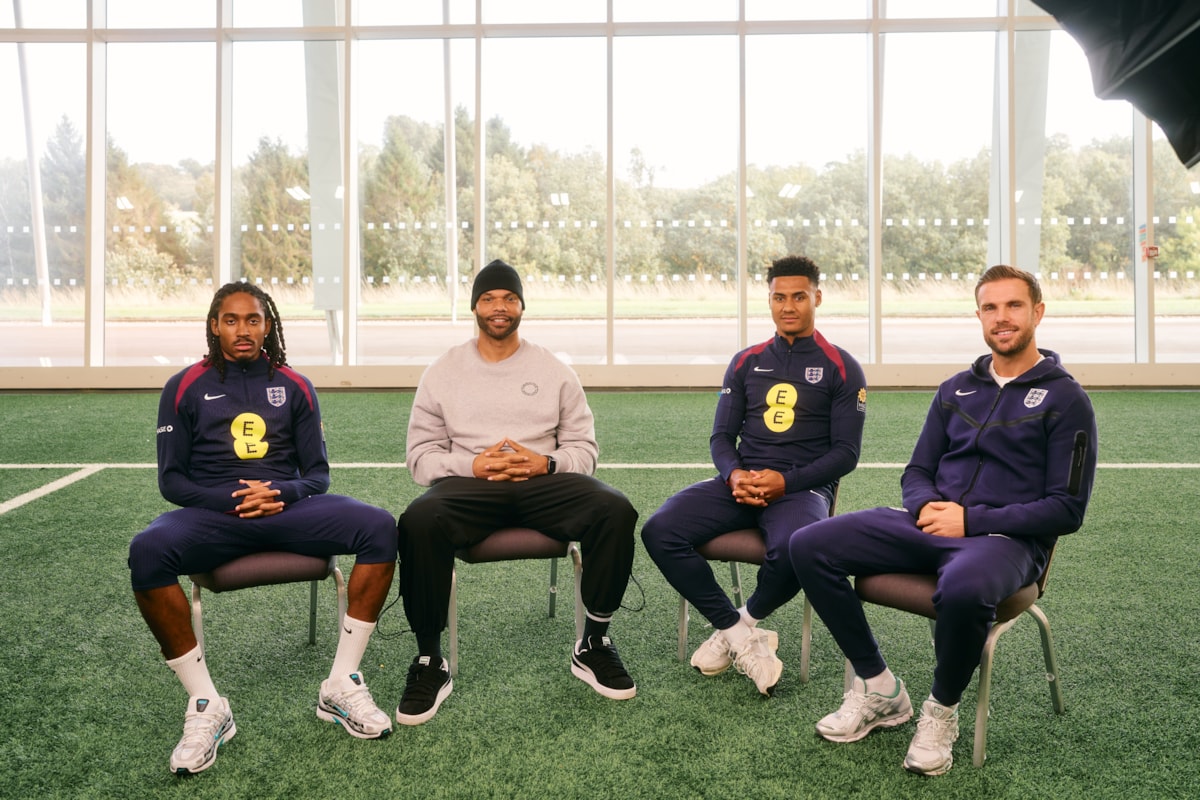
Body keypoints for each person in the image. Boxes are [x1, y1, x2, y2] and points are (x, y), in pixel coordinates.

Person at [789, 264, 1098, 776]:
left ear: (1037, 312)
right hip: (930, 524)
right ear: (979, 315)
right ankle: (878, 686)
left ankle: (940, 711)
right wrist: (924, 506)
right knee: (808, 544)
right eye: (990, 307)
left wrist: (970, 520)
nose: (1002, 318)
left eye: (1014, 306)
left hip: (1006, 540)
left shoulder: (1067, 400)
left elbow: (1067, 510)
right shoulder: (956, 389)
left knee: (962, 588)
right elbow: (917, 470)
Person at [128, 282, 399, 775]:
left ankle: (341, 683)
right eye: (230, 320)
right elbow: (172, 481)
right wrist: (232, 498)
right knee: (147, 551)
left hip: (286, 508)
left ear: (267, 325)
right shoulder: (184, 385)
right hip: (214, 514)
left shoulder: (293, 384)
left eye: (252, 320)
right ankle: (208, 706)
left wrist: (281, 493)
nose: (242, 330)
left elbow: (318, 475)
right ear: (214, 326)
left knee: (379, 527)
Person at [394, 259, 639, 725]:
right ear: (475, 307)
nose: (499, 307)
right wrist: (473, 464)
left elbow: (584, 450)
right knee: (419, 520)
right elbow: (420, 457)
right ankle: (429, 658)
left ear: (522, 305)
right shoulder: (443, 370)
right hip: (470, 486)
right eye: (489, 298)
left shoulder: (553, 369)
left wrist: (545, 462)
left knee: (614, 508)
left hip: (544, 484)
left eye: (509, 298)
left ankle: (594, 641)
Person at [640, 255, 867, 696]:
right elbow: (722, 436)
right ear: (769, 300)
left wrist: (787, 482)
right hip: (741, 483)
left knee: (797, 548)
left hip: (800, 490)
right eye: (779, 297)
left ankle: (740, 625)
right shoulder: (746, 361)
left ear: (816, 298)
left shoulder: (842, 366)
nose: (788, 306)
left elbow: (846, 454)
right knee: (659, 529)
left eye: (799, 296)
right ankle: (739, 634)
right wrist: (734, 475)